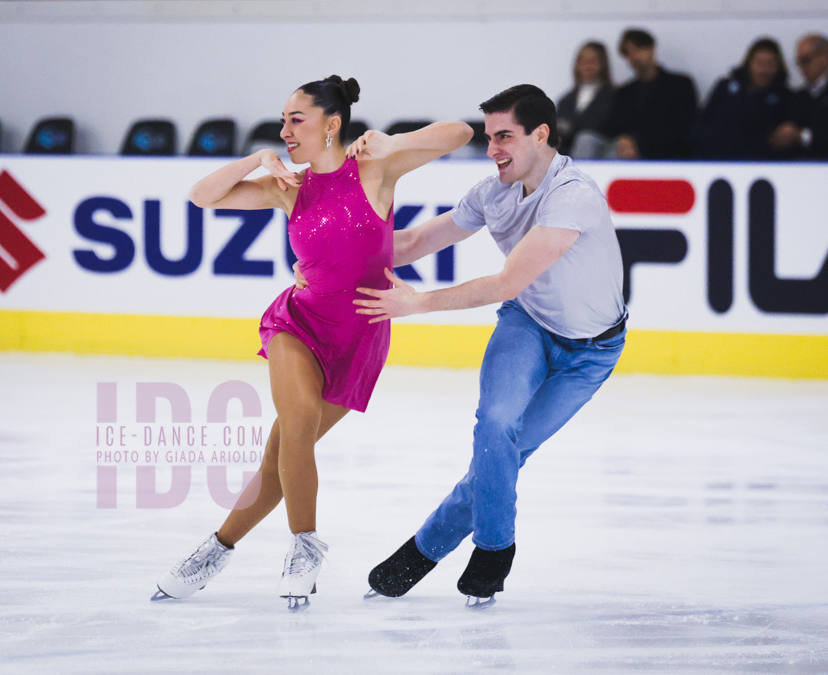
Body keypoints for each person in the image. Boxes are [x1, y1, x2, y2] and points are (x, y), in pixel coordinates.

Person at [151, 75, 472, 609]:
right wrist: (258, 157)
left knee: (282, 454)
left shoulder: (375, 170)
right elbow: (201, 196)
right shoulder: (290, 187)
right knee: (297, 423)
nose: (286, 130)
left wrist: (393, 142)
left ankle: (217, 546)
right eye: (282, 121)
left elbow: (461, 133)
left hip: (360, 339)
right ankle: (306, 546)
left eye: (296, 120)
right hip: (298, 323)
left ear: (332, 123)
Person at [354, 84, 626, 606]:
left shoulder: (574, 196)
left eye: (505, 136)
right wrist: (335, 256)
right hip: (526, 326)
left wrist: (420, 304)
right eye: (488, 137)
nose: (492, 148)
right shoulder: (490, 193)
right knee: (496, 426)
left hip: (589, 357)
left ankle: (423, 550)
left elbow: (505, 282)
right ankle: (495, 548)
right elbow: (411, 243)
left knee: (504, 454)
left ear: (541, 134)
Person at [575, 28, 697, 159]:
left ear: (651, 49)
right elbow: (612, 129)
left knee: (617, 153)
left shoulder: (679, 85)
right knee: (586, 139)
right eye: (628, 53)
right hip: (625, 149)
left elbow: (684, 129)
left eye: (638, 49)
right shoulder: (625, 92)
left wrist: (639, 144)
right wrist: (624, 140)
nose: (633, 57)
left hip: (661, 152)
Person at [692, 37, 792, 160]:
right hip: (713, 161)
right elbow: (703, 121)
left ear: (778, 67)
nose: (763, 70)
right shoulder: (725, 87)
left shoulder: (786, 98)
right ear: (748, 64)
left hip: (758, 165)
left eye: (770, 64)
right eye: (759, 63)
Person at [769, 34, 828, 160]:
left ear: (825, 57)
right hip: (805, 168)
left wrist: (801, 136)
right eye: (798, 63)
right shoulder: (799, 97)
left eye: (805, 60)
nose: (802, 68)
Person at [554, 41, 616, 157]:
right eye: (582, 61)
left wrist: (570, 128)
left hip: (600, 151)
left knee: (585, 140)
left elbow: (604, 128)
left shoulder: (614, 96)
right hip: (569, 153)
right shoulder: (566, 100)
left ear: (603, 64)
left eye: (592, 61)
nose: (587, 66)